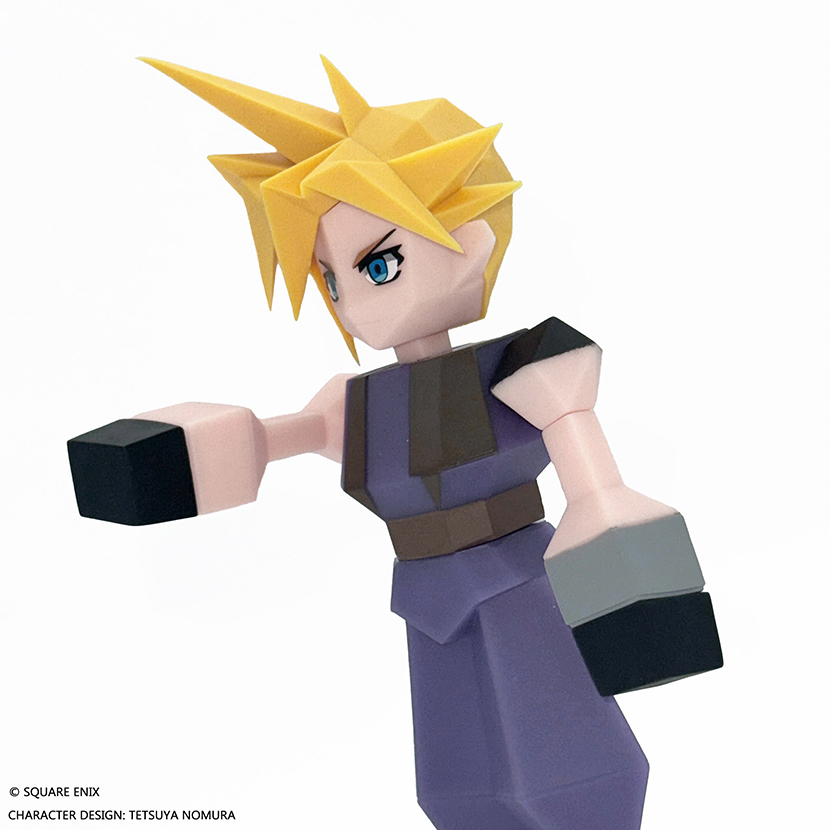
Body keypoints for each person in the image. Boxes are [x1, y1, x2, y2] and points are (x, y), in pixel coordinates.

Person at [68, 57, 722, 830]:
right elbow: (264, 442)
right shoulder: (356, 404)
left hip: (519, 584)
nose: (353, 303)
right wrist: (169, 459)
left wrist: (619, 565)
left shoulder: (528, 364)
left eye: (379, 264)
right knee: (457, 782)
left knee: (565, 764)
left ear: (470, 241)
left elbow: (595, 482)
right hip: (426, 598)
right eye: (332, 280)